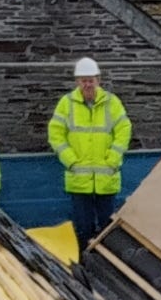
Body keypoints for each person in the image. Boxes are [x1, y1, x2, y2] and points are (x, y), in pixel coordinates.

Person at [48, 56, 131, 251]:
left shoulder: (112, 102)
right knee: (83, 228)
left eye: (91, 80)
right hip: (79, 179)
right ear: (77, 82)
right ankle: (86, 260)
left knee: (107, 228)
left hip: (106, 178)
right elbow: (55, 134)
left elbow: (124, 130)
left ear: (98, 80)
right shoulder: (66, 103)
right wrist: (71, 161)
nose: (87, 85)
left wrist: (113, 159)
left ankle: (106, 262)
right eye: (83, 80)